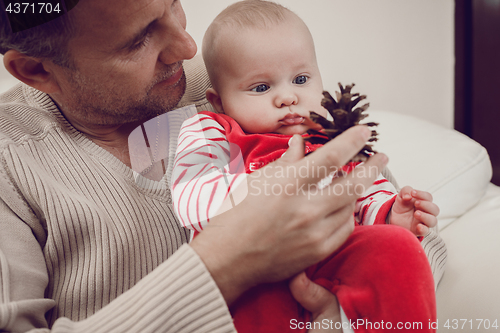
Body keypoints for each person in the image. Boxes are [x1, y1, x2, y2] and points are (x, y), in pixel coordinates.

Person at [0, 0, 443, 332]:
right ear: (36, 70)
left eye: (173, 3)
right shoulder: (10, 163)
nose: (186, 47)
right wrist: (225, 262)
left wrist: (340, 320)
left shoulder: (236, 73)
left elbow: (411, 242)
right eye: (137, 41)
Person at [171, 1, 439, 332]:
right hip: (253, 258)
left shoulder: (330, 134)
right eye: (261, 87)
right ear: (220, 101)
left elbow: (365, 186)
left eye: (300, 79)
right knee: (259, 301)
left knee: (398, 249)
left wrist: (390, 213)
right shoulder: (213, 130)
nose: (287, 97)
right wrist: (257, 195)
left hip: (336, 252)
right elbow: (190, 196)